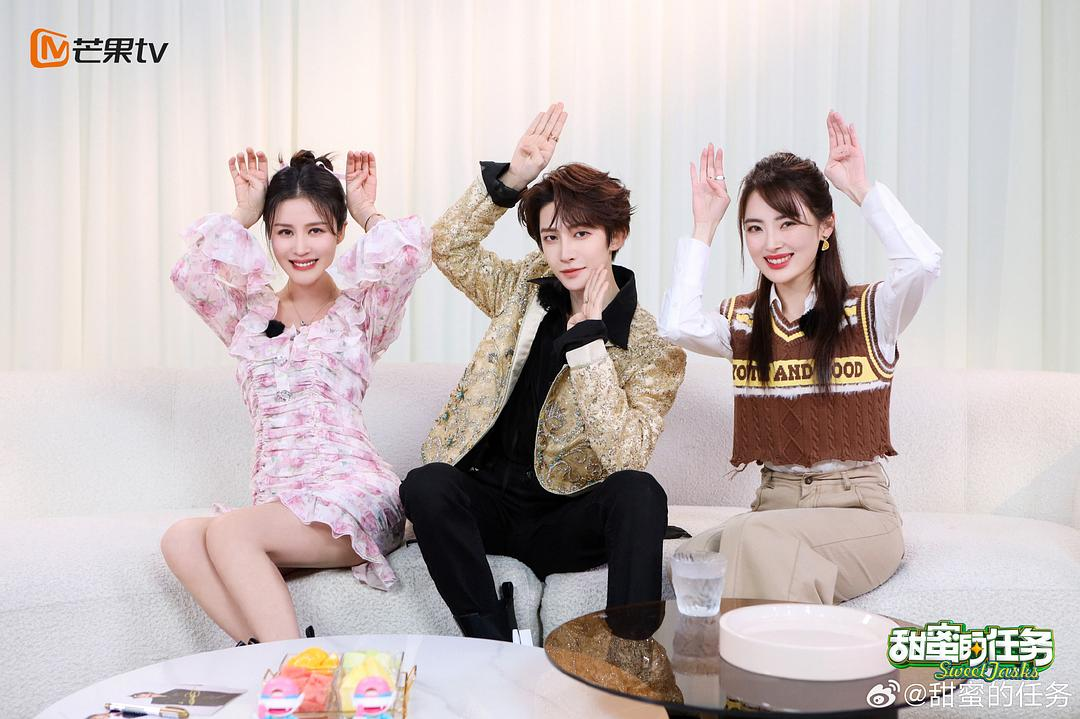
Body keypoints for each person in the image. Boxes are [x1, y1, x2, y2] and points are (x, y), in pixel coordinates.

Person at [399, 103, 687, 641]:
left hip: (567, 518)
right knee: (425, 484)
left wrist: (589, 345)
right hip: (490, 506)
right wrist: (514, 178)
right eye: (551, 237)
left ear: (616, 236)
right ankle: (489, 636)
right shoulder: (523, 290)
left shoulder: (652, 346)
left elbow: (626, 457)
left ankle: (631, 651)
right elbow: (448, 247)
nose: (564, 252)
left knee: (640, 492)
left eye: (581, 235)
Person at [659, 111, 941, 604]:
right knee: (692, 557)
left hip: (857, 513)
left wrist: (860, 189)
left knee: (750, 538)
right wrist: (705, 225)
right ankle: (766, 644)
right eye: (755, 228)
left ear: (825, 226)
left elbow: (921, 263)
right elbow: (677, 324)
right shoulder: (744, 321)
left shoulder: (870, 312)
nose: (771, 243)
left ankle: (762, 653)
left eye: (788, 223)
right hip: (777, 507)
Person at [163, 148, 431, 642]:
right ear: (268, 236)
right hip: (279, 502)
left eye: (316, 230)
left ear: (339, 233)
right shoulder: (247, 316)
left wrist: (366, 209)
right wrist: (244, 212)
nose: (301, 246)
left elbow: (410, 256)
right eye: (285, 232)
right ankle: (268, 655)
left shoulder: (362, 312)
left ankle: (288, 669)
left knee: (229, 531)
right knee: (180, 539)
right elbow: (189, 275)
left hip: (352, 495)